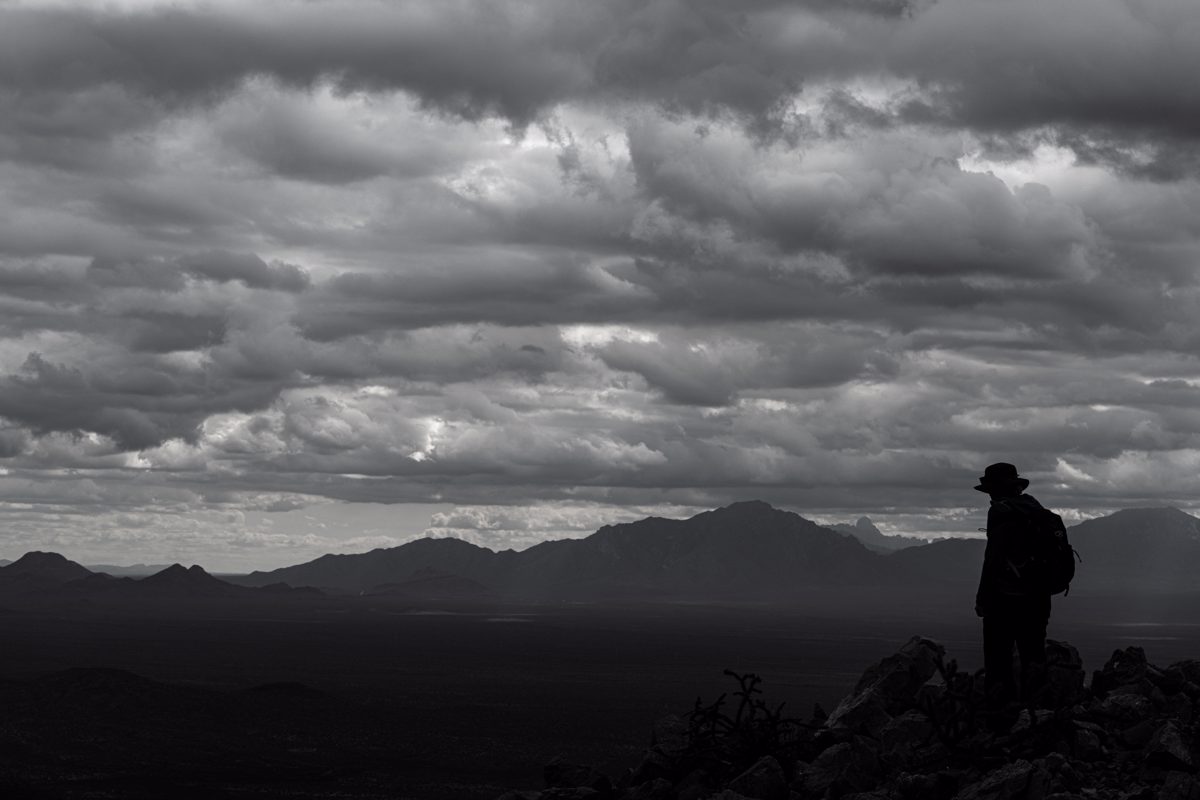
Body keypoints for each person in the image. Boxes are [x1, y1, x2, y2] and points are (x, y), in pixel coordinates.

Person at [973, 462, 1051, 731]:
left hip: (1004, 600)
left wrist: (982, 597)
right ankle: (1040, 717)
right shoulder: (1036, 510)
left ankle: (1000, 722)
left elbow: (992, 560)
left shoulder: (1001, 512)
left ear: (996, 490)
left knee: (998, 660)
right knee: (1033, 654)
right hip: (1038, 597)